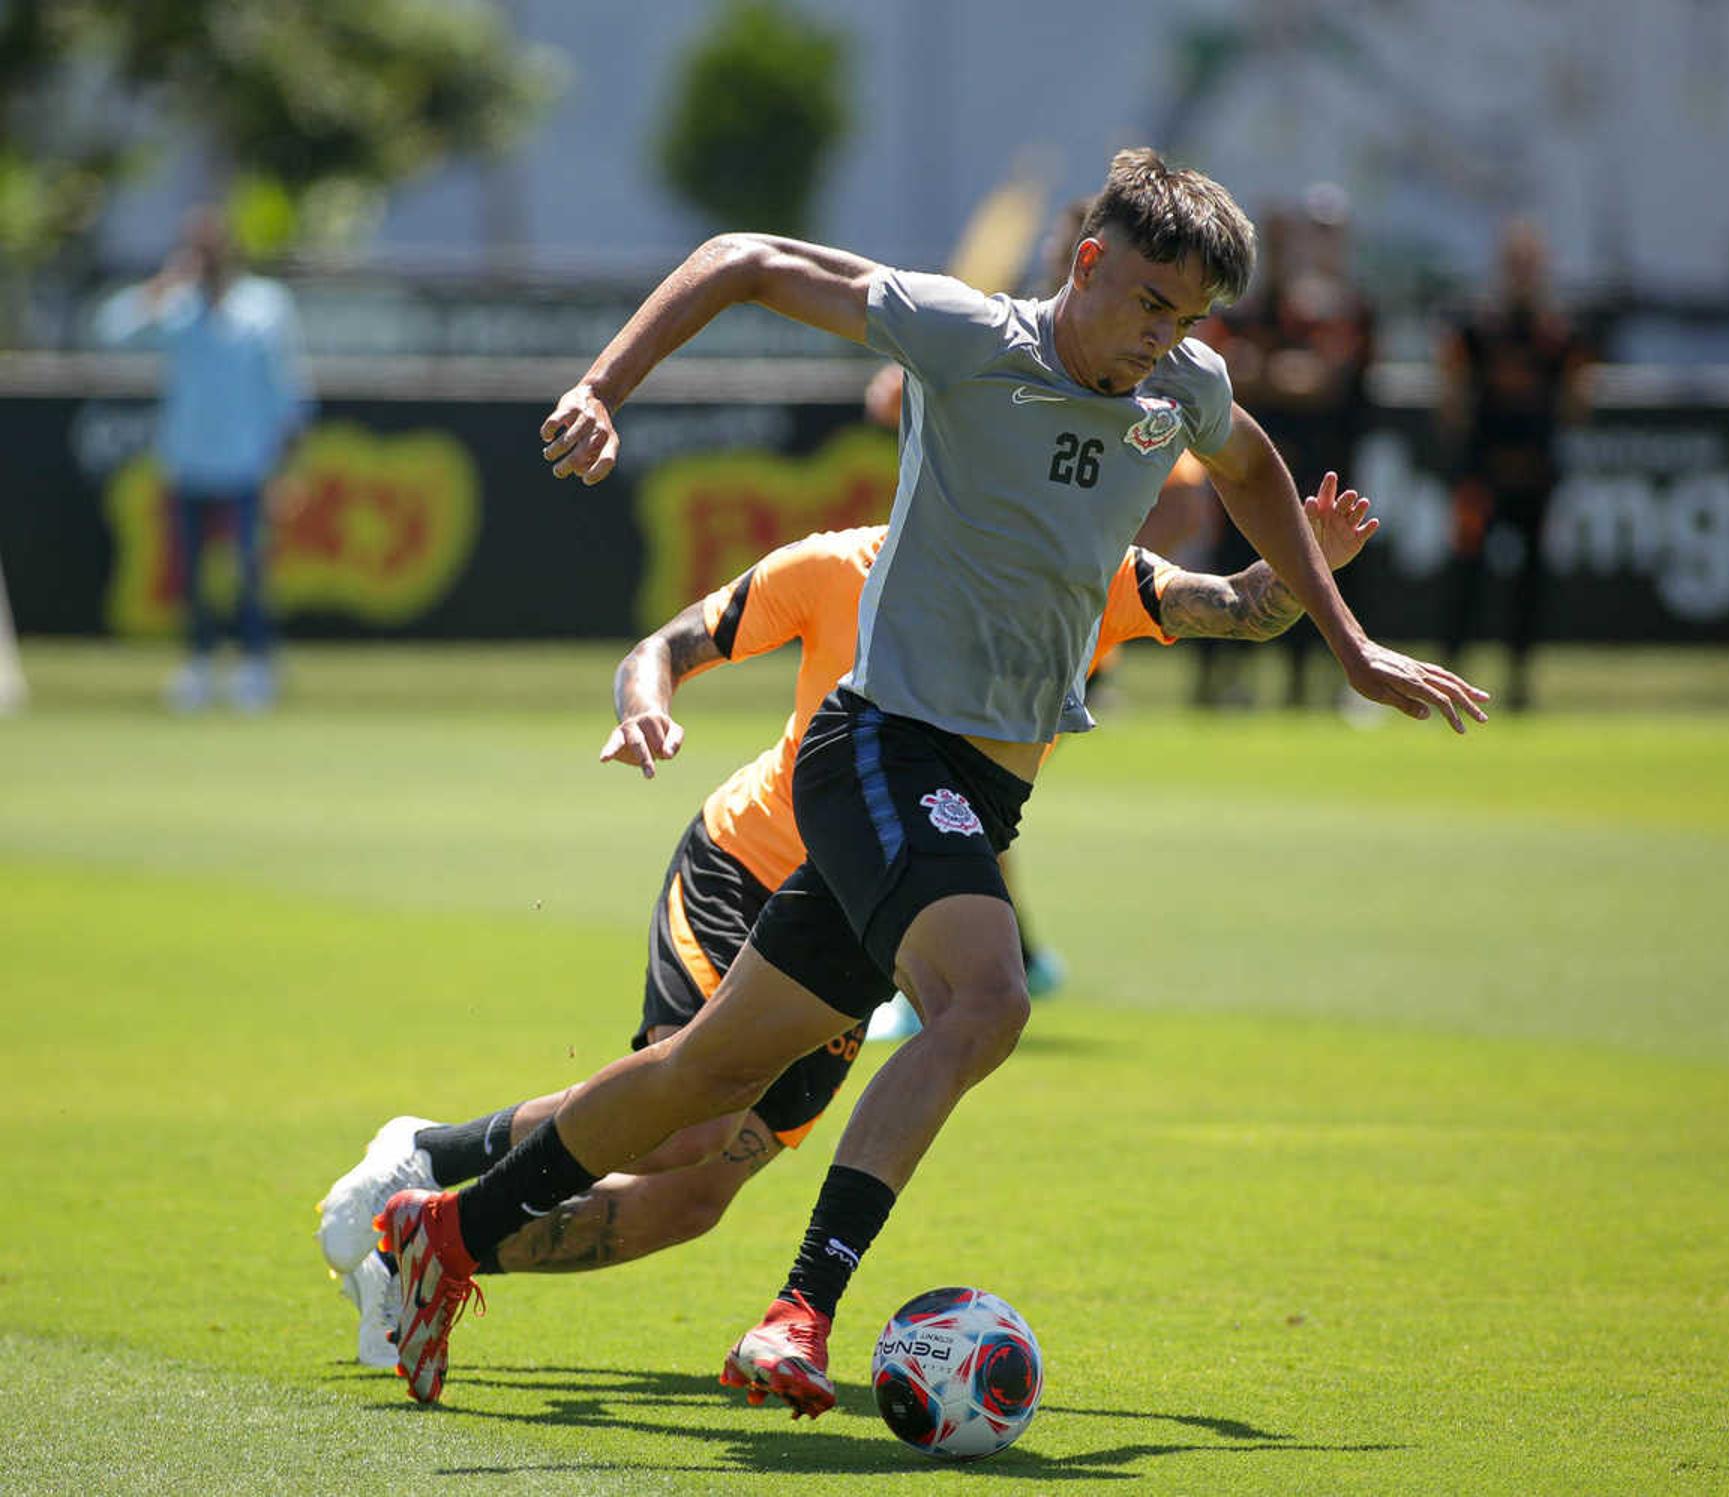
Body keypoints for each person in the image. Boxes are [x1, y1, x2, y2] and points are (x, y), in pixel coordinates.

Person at [376, 147, 1485, 1413]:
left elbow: (1253, 472)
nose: (1161, 340)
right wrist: (600, 387)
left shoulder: (1180, 386)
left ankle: (444, 1236)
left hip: (976, 789)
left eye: (1187, 320)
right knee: (989, 999)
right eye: (1147, 306)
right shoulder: (970, 337)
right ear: (1087, 262)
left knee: (704, 1081)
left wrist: (1347, 643)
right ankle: (800, 1313)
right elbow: (747, 260)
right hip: (883, 749)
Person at [318, 482, 1378, 1368]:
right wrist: (646, 702)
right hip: (747, 861)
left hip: (876, 906)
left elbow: (1241, 605)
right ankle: (430, 1159)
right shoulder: (838, 564)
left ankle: (427, 1247)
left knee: (693, 1199)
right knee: (694, 1110)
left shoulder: (1091, 577)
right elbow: (671, 642)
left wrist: (1311, 565)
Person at [96, 205, 311, 712]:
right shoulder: (176, 307)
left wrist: (289, 466)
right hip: (189, 462)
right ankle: (198, 664)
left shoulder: (265, 307)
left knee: (250, 575)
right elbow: (109, 329)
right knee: (190, 576)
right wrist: (163, 286)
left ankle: (256, 666)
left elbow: (288, 389)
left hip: (246, 466)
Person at [1200, 185, 1376, 708]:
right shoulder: (1241, 313)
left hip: (1313, 465)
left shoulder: (1322, 312)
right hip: (1244, 467)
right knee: (1230, 568)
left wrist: (1267, 373)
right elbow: (1228, 373)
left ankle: (1311, 689)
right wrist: (1274, 374)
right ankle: (1219, 685)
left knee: (1315, 570)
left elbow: (1320, 379)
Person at [1437, 218, 1589, 711]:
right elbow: (1453, 397)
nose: (1523, 275)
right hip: (1482, 478)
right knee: (1466, 577)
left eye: (1531, 266)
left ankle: (1521, 682)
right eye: (1515, 265)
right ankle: (1450, 675)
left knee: (1530, 585)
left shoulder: (1558, 335)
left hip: (1535, 478)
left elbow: (1576, 399)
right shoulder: (1478, 330)